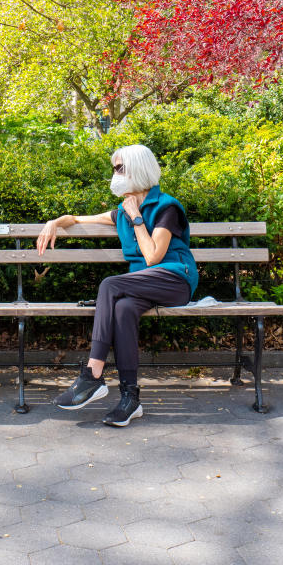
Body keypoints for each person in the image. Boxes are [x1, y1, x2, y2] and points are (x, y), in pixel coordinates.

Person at [36, 144, 198, 427]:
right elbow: (76, 219)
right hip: (142, 284)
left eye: (119, 168)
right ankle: (130, 399)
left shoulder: (166, 207)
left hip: (174, 279)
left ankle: (93, 375)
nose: (115, 174)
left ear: (137, 169)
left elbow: (153, 256)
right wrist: (54, 222)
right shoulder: (122, 211)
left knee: (110, 285)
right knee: (122, 309)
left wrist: (136, 217)